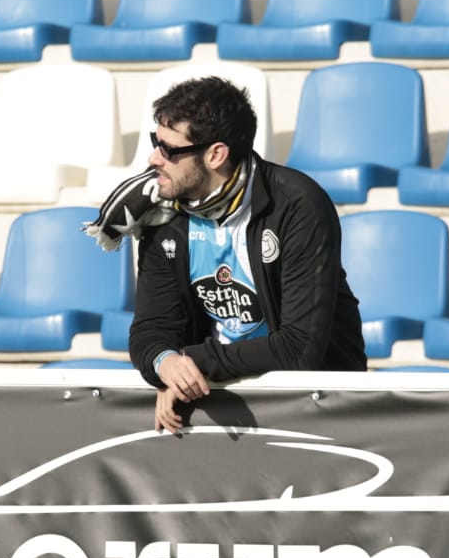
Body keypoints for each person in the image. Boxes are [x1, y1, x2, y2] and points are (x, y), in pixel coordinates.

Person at [93, 75, 366, 433]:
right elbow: (152, 329)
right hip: (216, 399)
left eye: (170, 150)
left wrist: (191, 363)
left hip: (315, 406)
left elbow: (299, 350)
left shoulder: (298, 205)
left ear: (216, 154)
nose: (154, 158)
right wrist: (166, 365)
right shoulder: (163, 211)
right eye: (155, 143)